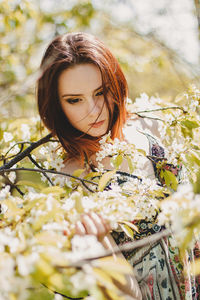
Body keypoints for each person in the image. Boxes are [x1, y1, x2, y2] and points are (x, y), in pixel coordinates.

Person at [37, 32, 199, 299]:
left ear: (116, 84)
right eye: (74, 99)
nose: (93, 110)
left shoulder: (153, 126)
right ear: (56, 105)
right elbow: (129, 293)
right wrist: (99, 244)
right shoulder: (73, 179)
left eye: (100, 92)